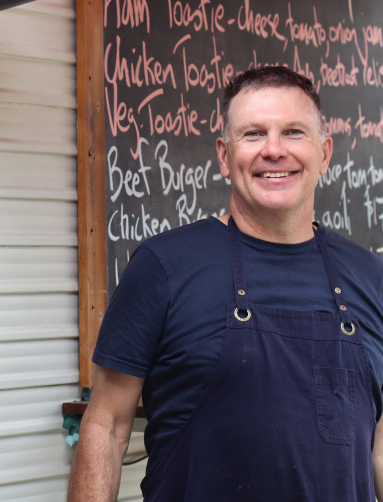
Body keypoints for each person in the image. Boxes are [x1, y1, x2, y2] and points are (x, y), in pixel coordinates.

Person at [67, 66, 383, 501]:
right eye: (253, 134)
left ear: (324, 153)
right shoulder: (163, 266)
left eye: (293, 132)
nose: (274, 150)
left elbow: (379, 449)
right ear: (223, 156)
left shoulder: (372, 278)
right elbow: (107, 425)